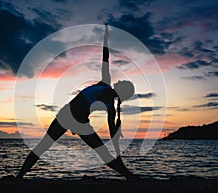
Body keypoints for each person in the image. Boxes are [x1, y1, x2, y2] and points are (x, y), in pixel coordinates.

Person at [16, 23, 138, 181]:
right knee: (43, 147)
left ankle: (129, 176)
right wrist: (106, 39)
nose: (120, 80)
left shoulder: (111, 104)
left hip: (78, 121)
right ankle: (19, 176)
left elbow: (112, 129)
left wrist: (116, 149)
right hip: (67, 116)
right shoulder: (106, 85)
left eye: (123, 83)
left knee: (103, 154)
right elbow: (105, 58)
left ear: (122, 90)